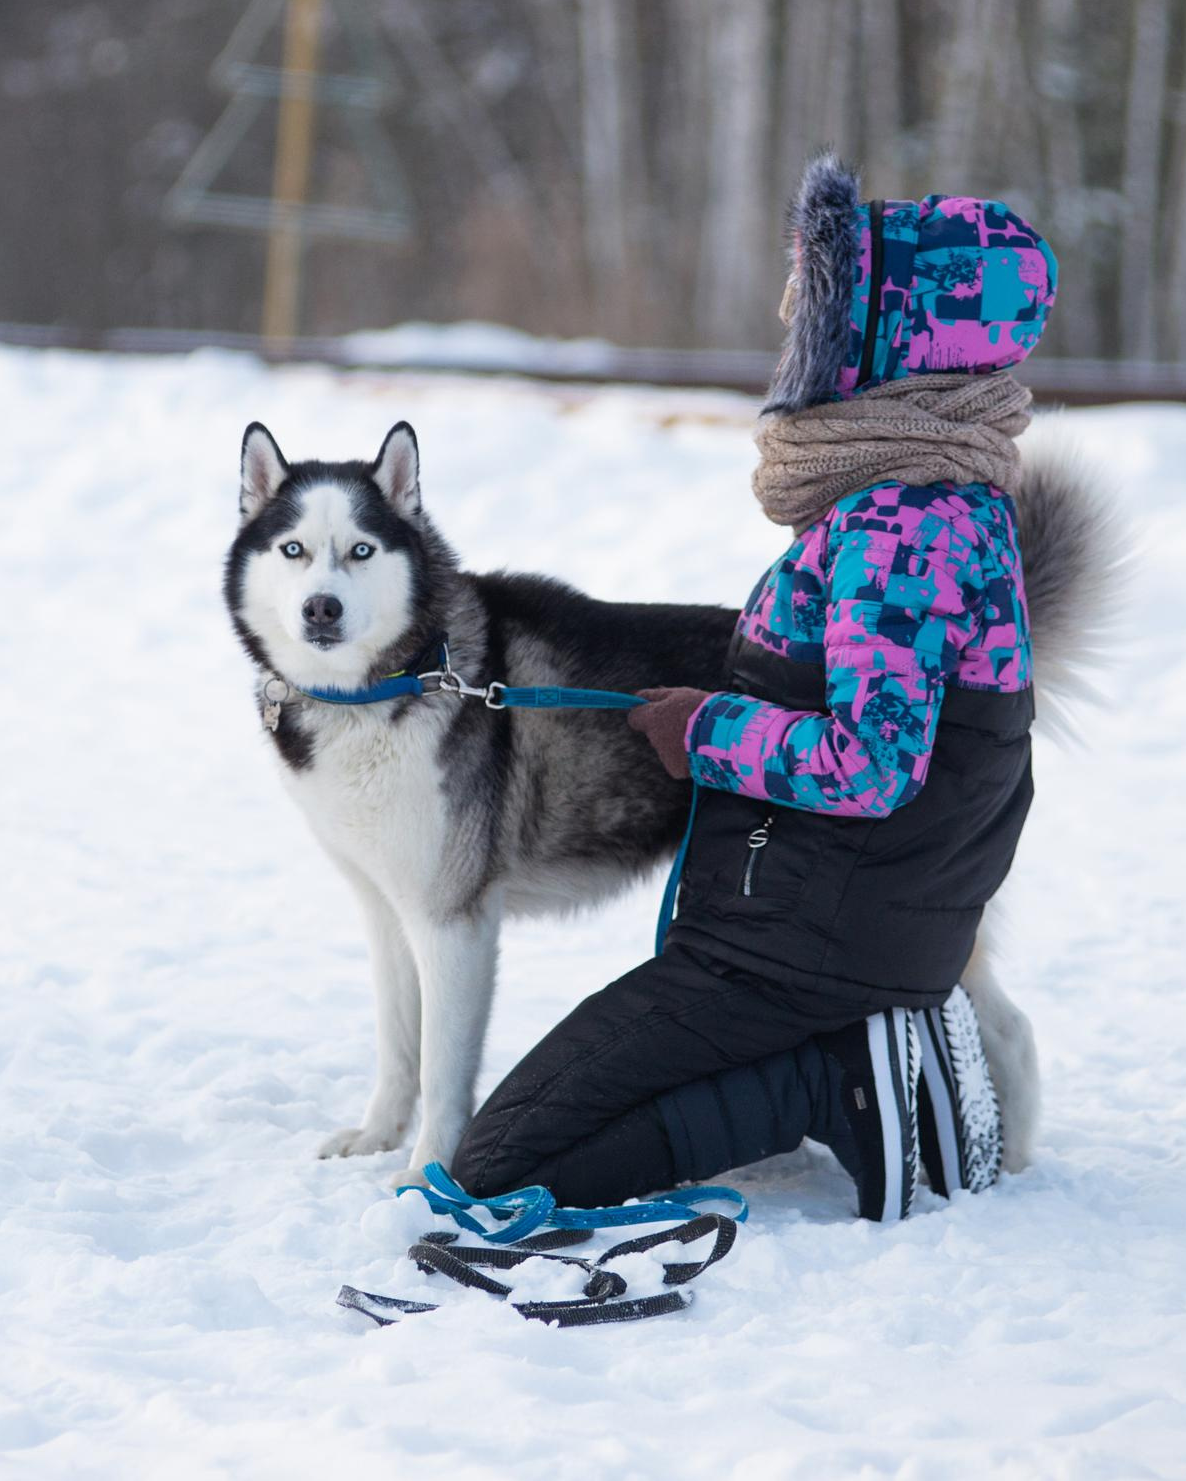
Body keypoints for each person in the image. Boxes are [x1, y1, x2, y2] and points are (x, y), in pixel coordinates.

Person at [445, 156, 1056, 1222]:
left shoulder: (899, 524)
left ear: (892, 334)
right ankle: (836, 1065)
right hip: (807, 931)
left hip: (796, 948)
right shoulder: (926, 500)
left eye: (818, 308)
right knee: (566, 1130)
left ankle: (843, 1076)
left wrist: (710, 728)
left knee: (496, 1165)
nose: (788, 328)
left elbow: (872, 761)